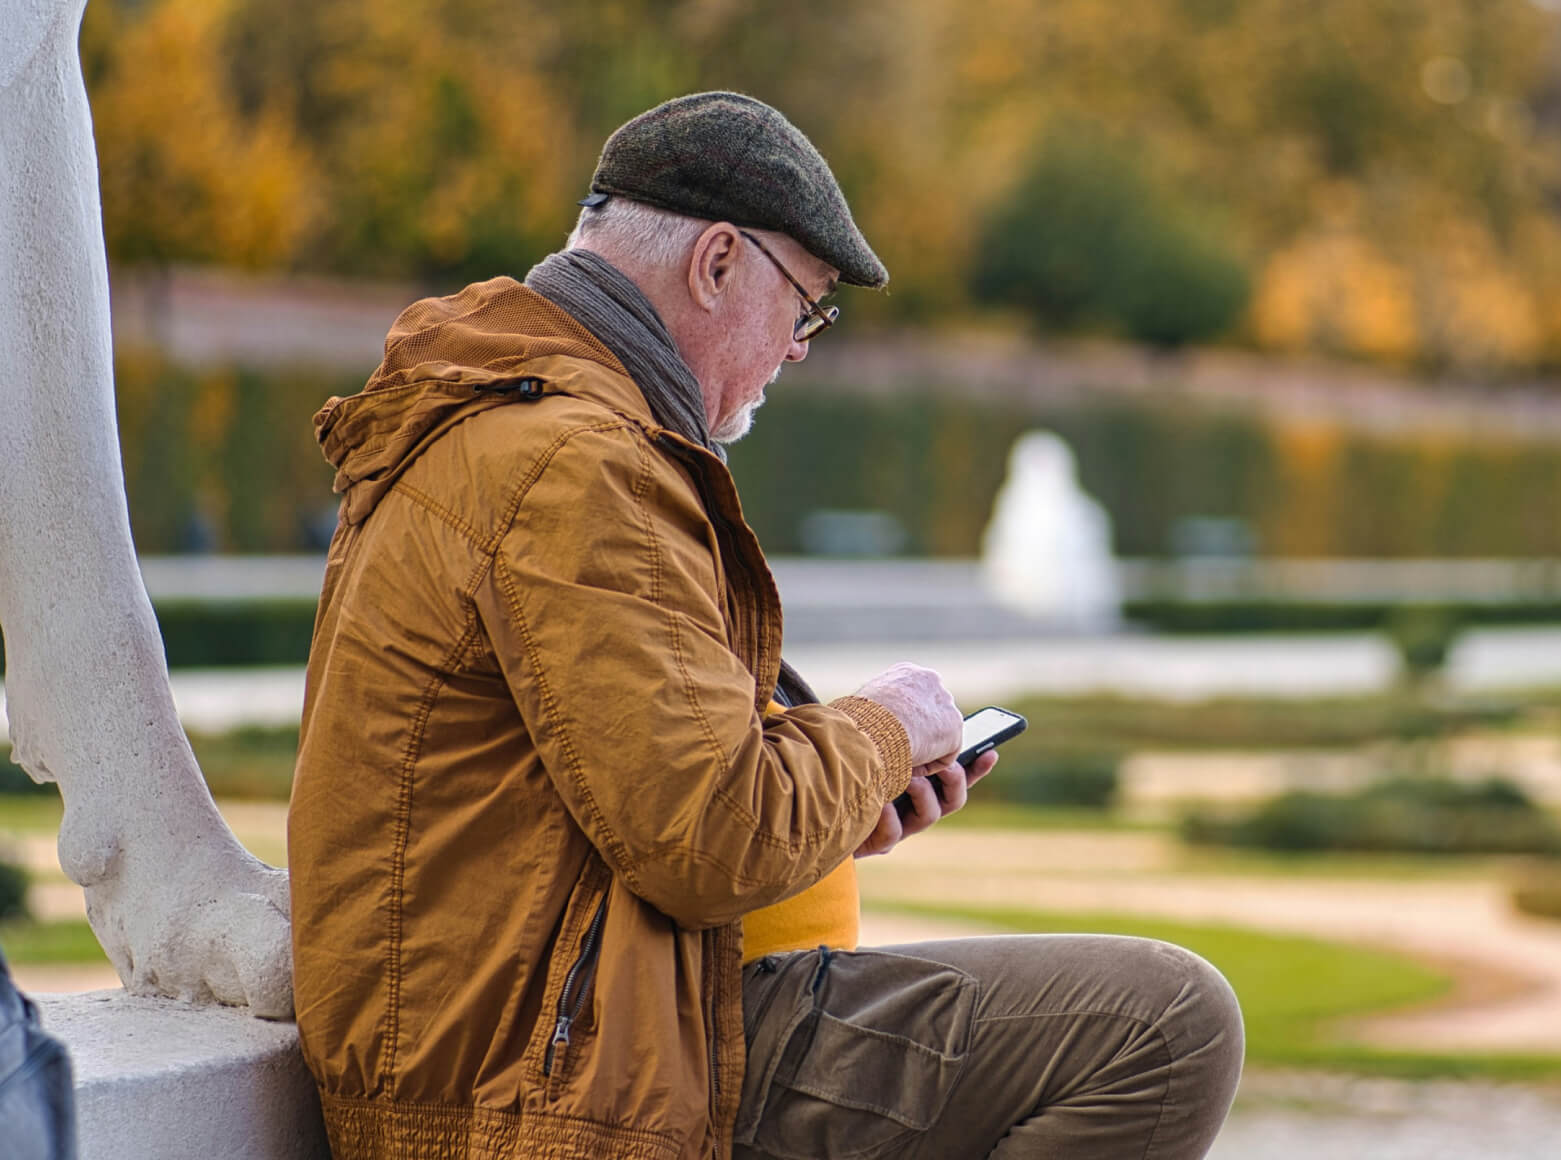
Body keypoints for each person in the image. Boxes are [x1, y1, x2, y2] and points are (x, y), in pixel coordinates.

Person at [288, 91, 1243, 1160]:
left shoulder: (508, 424)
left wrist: (837, 794)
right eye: (808, 305)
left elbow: (626, 788)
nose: (798, 349)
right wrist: (888, 725)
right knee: (1163, 1026)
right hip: (557, 1086)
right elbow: (710, 836)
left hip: (535, 1046)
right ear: (719, 263)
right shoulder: (577, 465)